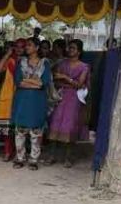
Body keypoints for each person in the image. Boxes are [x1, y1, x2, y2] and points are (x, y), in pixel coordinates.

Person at [47, 39, 89, 168]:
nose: (70, 50)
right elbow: (55, 80)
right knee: (55, 123)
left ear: (79, 51)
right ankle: (51, 156)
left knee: (70, 126)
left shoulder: (84, 66)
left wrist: (65, 78)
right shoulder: (62, 63)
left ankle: (68, 158)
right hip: (61, 96)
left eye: (73, 48)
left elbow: (79, 84)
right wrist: (68, 82)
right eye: (69, 48)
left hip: (74, 99)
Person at [11, 37, 51, 171]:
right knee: (20, 131)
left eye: (29, 45)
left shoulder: (45, 64)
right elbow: (18, 81)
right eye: (26, 45)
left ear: (37, 48)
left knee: (36, 131)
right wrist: (34, 81)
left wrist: (28, 81)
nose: (26, 47)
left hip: (37, 101)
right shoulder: (21, 62)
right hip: (22, 100)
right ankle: (20, 158)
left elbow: (43, 83)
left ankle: (34, 159)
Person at [0, 38, 26, 162]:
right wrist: (7, 54)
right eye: (16, 46)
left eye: (22, 47)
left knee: (21, 127)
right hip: (8, 95)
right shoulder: (10, 60)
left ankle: (19, 153)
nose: (19, 49)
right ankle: (7, 151)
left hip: (22, 94)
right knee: (8, 127)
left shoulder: (27, 62)